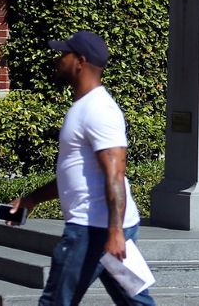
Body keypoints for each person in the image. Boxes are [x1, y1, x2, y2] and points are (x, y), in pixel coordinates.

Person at [10, 31, 156, 306]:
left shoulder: (100, 109)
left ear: (80, 61)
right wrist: (31, 199)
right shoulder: (84, 107)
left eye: (64, 54)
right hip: (102, 227)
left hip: (93, 230)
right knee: (135, 302)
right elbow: (75, 174)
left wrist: (114, 233)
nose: (58, 60)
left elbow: (115, 173)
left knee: (55, 302)